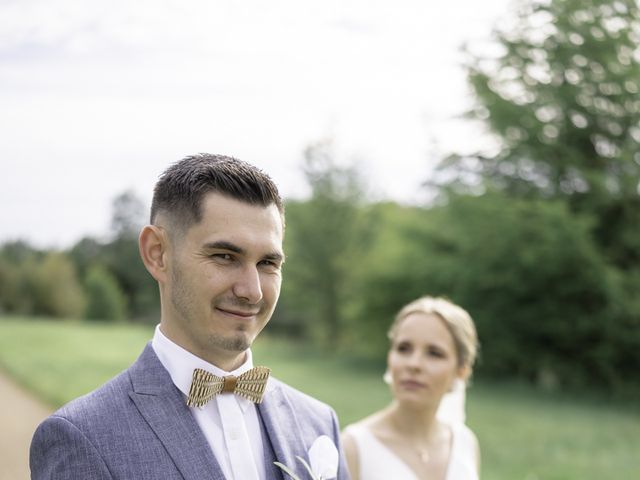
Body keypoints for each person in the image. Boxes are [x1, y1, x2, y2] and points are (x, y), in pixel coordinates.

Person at [30, 154, 349, 480]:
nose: (252, 291)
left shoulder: (319, 423)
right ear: (158, 253)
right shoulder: (83, 437)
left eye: (267, 263)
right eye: (225, 256)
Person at [342, 296, 480, 480]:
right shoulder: (353, 447)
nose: (414, 364)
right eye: (404, 348)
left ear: (461, 371)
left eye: (434, 353)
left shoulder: (465, 443)